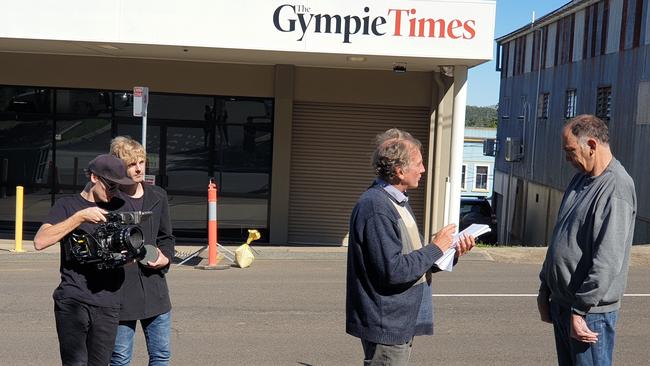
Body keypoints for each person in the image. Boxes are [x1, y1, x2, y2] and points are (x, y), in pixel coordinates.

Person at [346, 128, 475, 365]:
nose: (423, 170)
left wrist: (450, 252)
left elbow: (413, 261)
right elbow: (393, 271)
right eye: (419, 163)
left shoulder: (397, 202)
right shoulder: (376, 207)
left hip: (399, 321)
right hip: (387, 322)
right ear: (399, 170)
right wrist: (436, 247)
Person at [537, 114, 637, 366]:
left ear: (591, 145)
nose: (568, 158)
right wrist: (545, 288)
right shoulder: (581, 178)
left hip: (588, 313)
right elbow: (561, 237)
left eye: (570, 151)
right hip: (563, 303)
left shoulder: (616, 187)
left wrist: (580, 310)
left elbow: (608, 259)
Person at [33, 154, 134, 366]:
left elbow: (131, 252)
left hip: (108, 301)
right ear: (95, 178)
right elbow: (40, 241)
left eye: (119, 187)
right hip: (73, 299)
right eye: (112, 186)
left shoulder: (121, 206)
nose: (115, 192)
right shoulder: (67, 205)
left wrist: (128, 255)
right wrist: (80, 216)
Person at [109, 136, 175, 366]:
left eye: (141, 162)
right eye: (131, 164)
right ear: (118, 167)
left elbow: (166, 237)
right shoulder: (108, 200)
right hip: (120, 291)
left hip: (155, 287)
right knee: (119, 359)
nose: (138, 168)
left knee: (161, 356)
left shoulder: (158, 195)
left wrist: (165, 257)